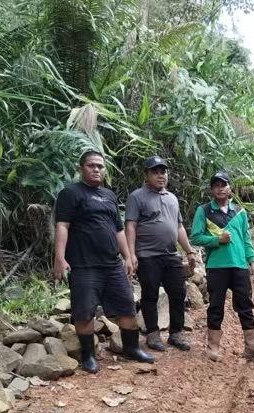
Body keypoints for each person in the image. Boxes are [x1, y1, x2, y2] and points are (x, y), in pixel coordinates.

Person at [53, 150, 154, 373]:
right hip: (83, 265)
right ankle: (89, 356)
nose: (96, 169)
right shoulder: (71, 193)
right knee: (84, 311)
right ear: (82, 168)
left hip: (112, 264)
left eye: (100, 166)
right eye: (91, 166)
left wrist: (127, 256)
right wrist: (60, 258)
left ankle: (131, 348)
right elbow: (62, 226)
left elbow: (118, 230)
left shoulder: (109, 195)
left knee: (127, 307)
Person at [190, 171, 254, 361]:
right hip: (216, 266)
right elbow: (195, 237)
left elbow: (246, 238)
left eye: (224, 185)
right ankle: (213, 348)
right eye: (216, 185)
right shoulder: (203, 211)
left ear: (230, 188)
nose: (220, 188)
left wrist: (252, 260)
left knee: (245, 304)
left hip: (239, 265)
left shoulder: (240, 212)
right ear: (212, 189)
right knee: (215, 305)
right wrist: (216, 239)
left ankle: (253, 345)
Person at [125, 156, 195, 352]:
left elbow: (178, 226)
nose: (160, 175)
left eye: (163, 171)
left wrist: (189, 251)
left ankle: (176, 333)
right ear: (146, 175)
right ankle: (153, 334)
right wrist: (131, 255)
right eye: (155, 172)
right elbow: (130, 225)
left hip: (171, 254)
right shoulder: (137, 197)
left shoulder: (172, 198)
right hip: (147, 255)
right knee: (150, 294)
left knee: (178, 293)